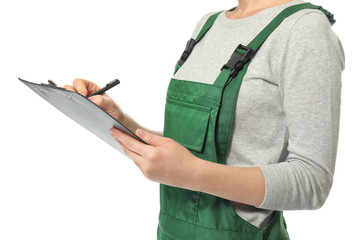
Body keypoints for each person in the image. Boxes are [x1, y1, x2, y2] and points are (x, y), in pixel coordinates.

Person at [65, 0, 344, 239]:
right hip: (171, 231)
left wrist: (192, 173)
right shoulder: (208, 24)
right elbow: (189, 149)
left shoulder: (305, 30)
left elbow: (313, 182)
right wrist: (122, 121)